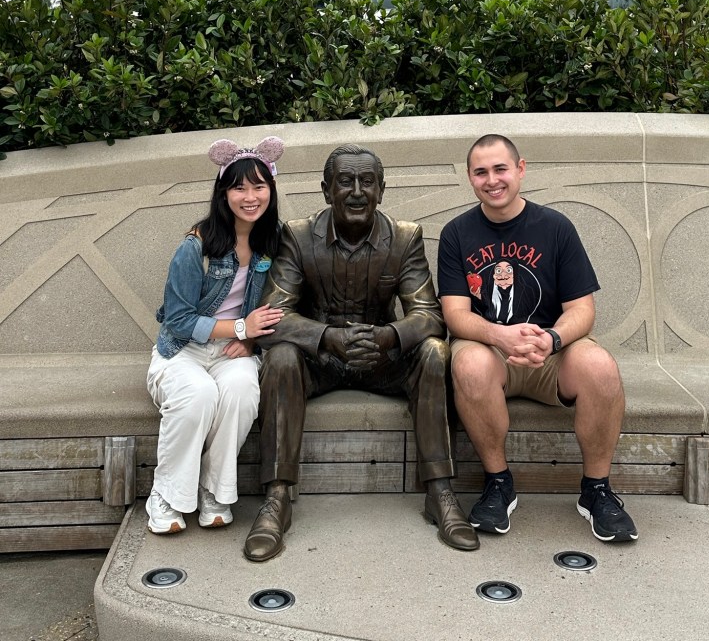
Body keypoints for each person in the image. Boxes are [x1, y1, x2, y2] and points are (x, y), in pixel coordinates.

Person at [243, 143, 478, 561]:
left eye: (367, 182)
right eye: (345, 181)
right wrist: (327, 337)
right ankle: (276, 498)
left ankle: (440, 491)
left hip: (380, 359)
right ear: (326, 190)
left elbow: (429, 315)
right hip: (320, 359)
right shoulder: (297, 236)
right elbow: (273, 316)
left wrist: (388, 336)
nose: (356, 191)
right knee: (280, 356)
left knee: (434, 352)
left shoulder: (404, 238)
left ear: (381, 190)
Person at [437, 133, 638, 543]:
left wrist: (552, 339)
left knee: (601, 367)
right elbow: (455, 315)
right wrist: (499, 335)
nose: (492, 180)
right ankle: (498, 483)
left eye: (500, 169)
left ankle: (596, 490)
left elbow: (582, 310)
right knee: (468, 362)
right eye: (481, 172)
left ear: (521, 169)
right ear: (470, 178)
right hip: (492, 352)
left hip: (551, 354)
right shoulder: (456, 233)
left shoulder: (556, 228)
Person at [145, 137, 285, 534]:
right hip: (183, 351)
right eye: (239, 188)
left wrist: (252, 341)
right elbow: (178, 319)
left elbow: (282, 303)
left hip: (234, 352)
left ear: (271, 190)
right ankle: (166, 495)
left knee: (241, 391)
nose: (250, 197)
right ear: (223, 193)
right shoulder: (197, 246)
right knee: (199, 394)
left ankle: (214, 490)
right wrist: (241, 327)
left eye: (259, 186)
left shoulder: (275, 241)